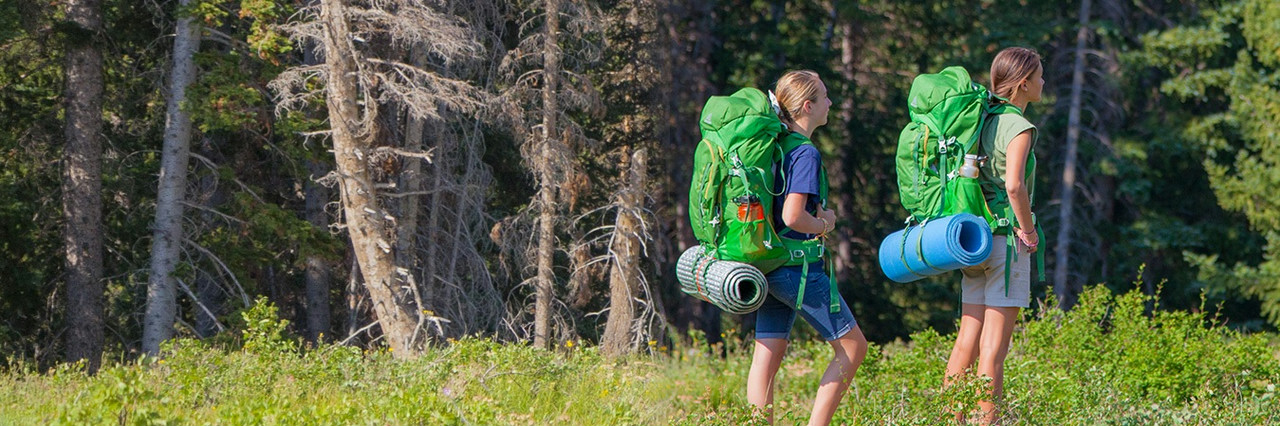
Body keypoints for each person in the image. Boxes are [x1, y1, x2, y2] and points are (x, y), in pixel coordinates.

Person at [746, 70, 869, 426]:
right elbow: (793, 215)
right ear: (807, 106)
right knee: (853, 347)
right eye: (825, 97)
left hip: (767, 261)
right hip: (797, 268)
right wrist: (825, 224)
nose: (831, 103)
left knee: (767, 355)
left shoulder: (776, 146)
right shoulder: (805, 153)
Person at [942, 47, 1044, 424]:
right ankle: (988, 421)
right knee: (994, 349)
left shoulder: (982, 119)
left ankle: (949, 417)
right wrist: (1029, 232)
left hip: (976, 239)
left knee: (968, 338)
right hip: (1007, 244)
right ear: (1023, 84)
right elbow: (1015, 186)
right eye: (1039, 77)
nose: (1043, 82)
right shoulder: (1018, 127)